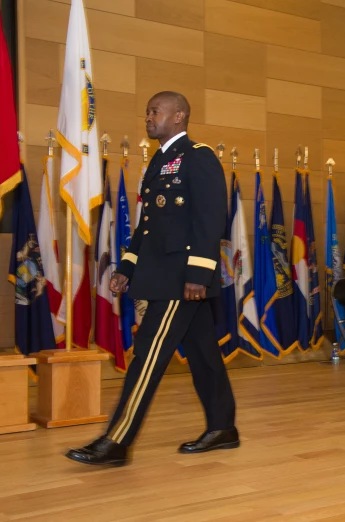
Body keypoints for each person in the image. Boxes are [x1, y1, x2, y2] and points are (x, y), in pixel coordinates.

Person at [65, 92, 238, 466]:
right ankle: (223, 427)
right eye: (147, 112)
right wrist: (127, 267)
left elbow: (210, 220)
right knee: (205, 355)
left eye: (155, 111)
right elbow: (148, 225)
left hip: (181, 279)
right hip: (159, 274)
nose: (148, 117)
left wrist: (198, 273)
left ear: (179, 117)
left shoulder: (199, 157)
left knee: (147, 357)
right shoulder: (160, 161)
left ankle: (117, 440)